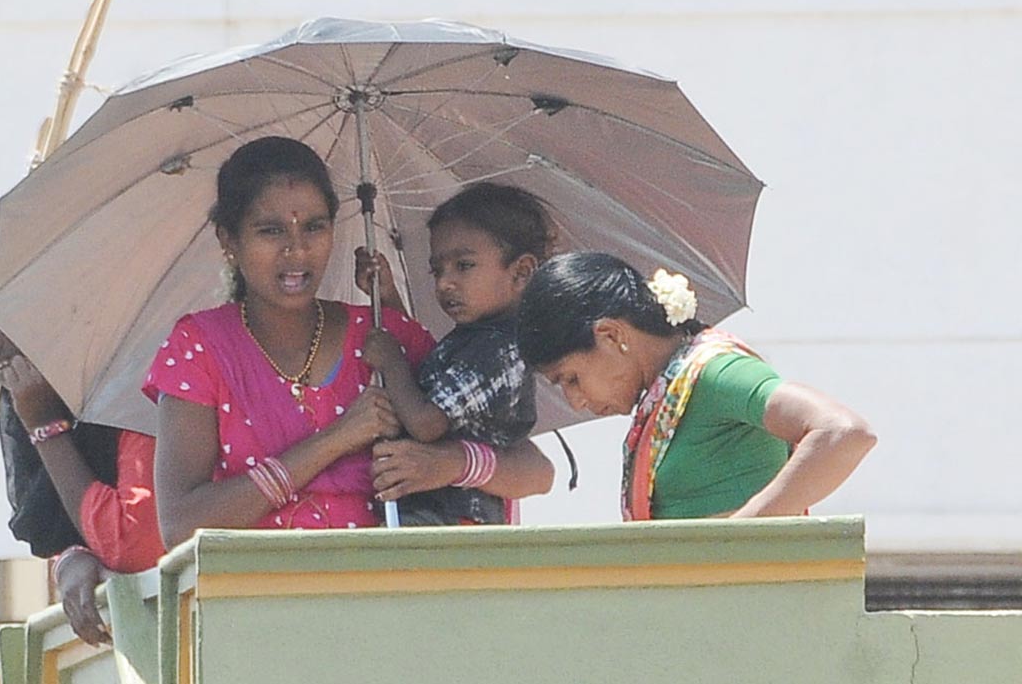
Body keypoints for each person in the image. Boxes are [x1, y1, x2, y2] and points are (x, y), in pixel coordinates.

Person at [144, 137, 556, 544]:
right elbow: (179, 525)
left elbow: (536, 471)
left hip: (387, 595)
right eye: (270, 231)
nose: (297, 249)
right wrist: (336, 439)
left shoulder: (382, 337)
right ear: (229, 241)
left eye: (314, 227)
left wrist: (450, 464)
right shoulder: (198, 346)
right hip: (262, 600)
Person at [0, 219, 164, 644]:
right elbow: (49, 521)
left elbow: (132, 541)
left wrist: (45, 426)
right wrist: (71, 557)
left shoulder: (134, 368)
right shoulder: (18, 399)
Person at [516, 252, 876, 520]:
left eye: (571, 379)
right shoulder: (666, 393)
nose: (575, 401)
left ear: (611, 335)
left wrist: (740, 538)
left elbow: (843, 432)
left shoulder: (715, 371)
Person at [357, 181, 556, 525]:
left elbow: (425, 423)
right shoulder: (474, 338)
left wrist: (391, 362)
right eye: (438, 270)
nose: (444, 283)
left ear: (521, 272)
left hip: (453, 517)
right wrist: (387, 296)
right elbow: (428, 375)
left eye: (463, 266)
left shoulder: (498, 351)